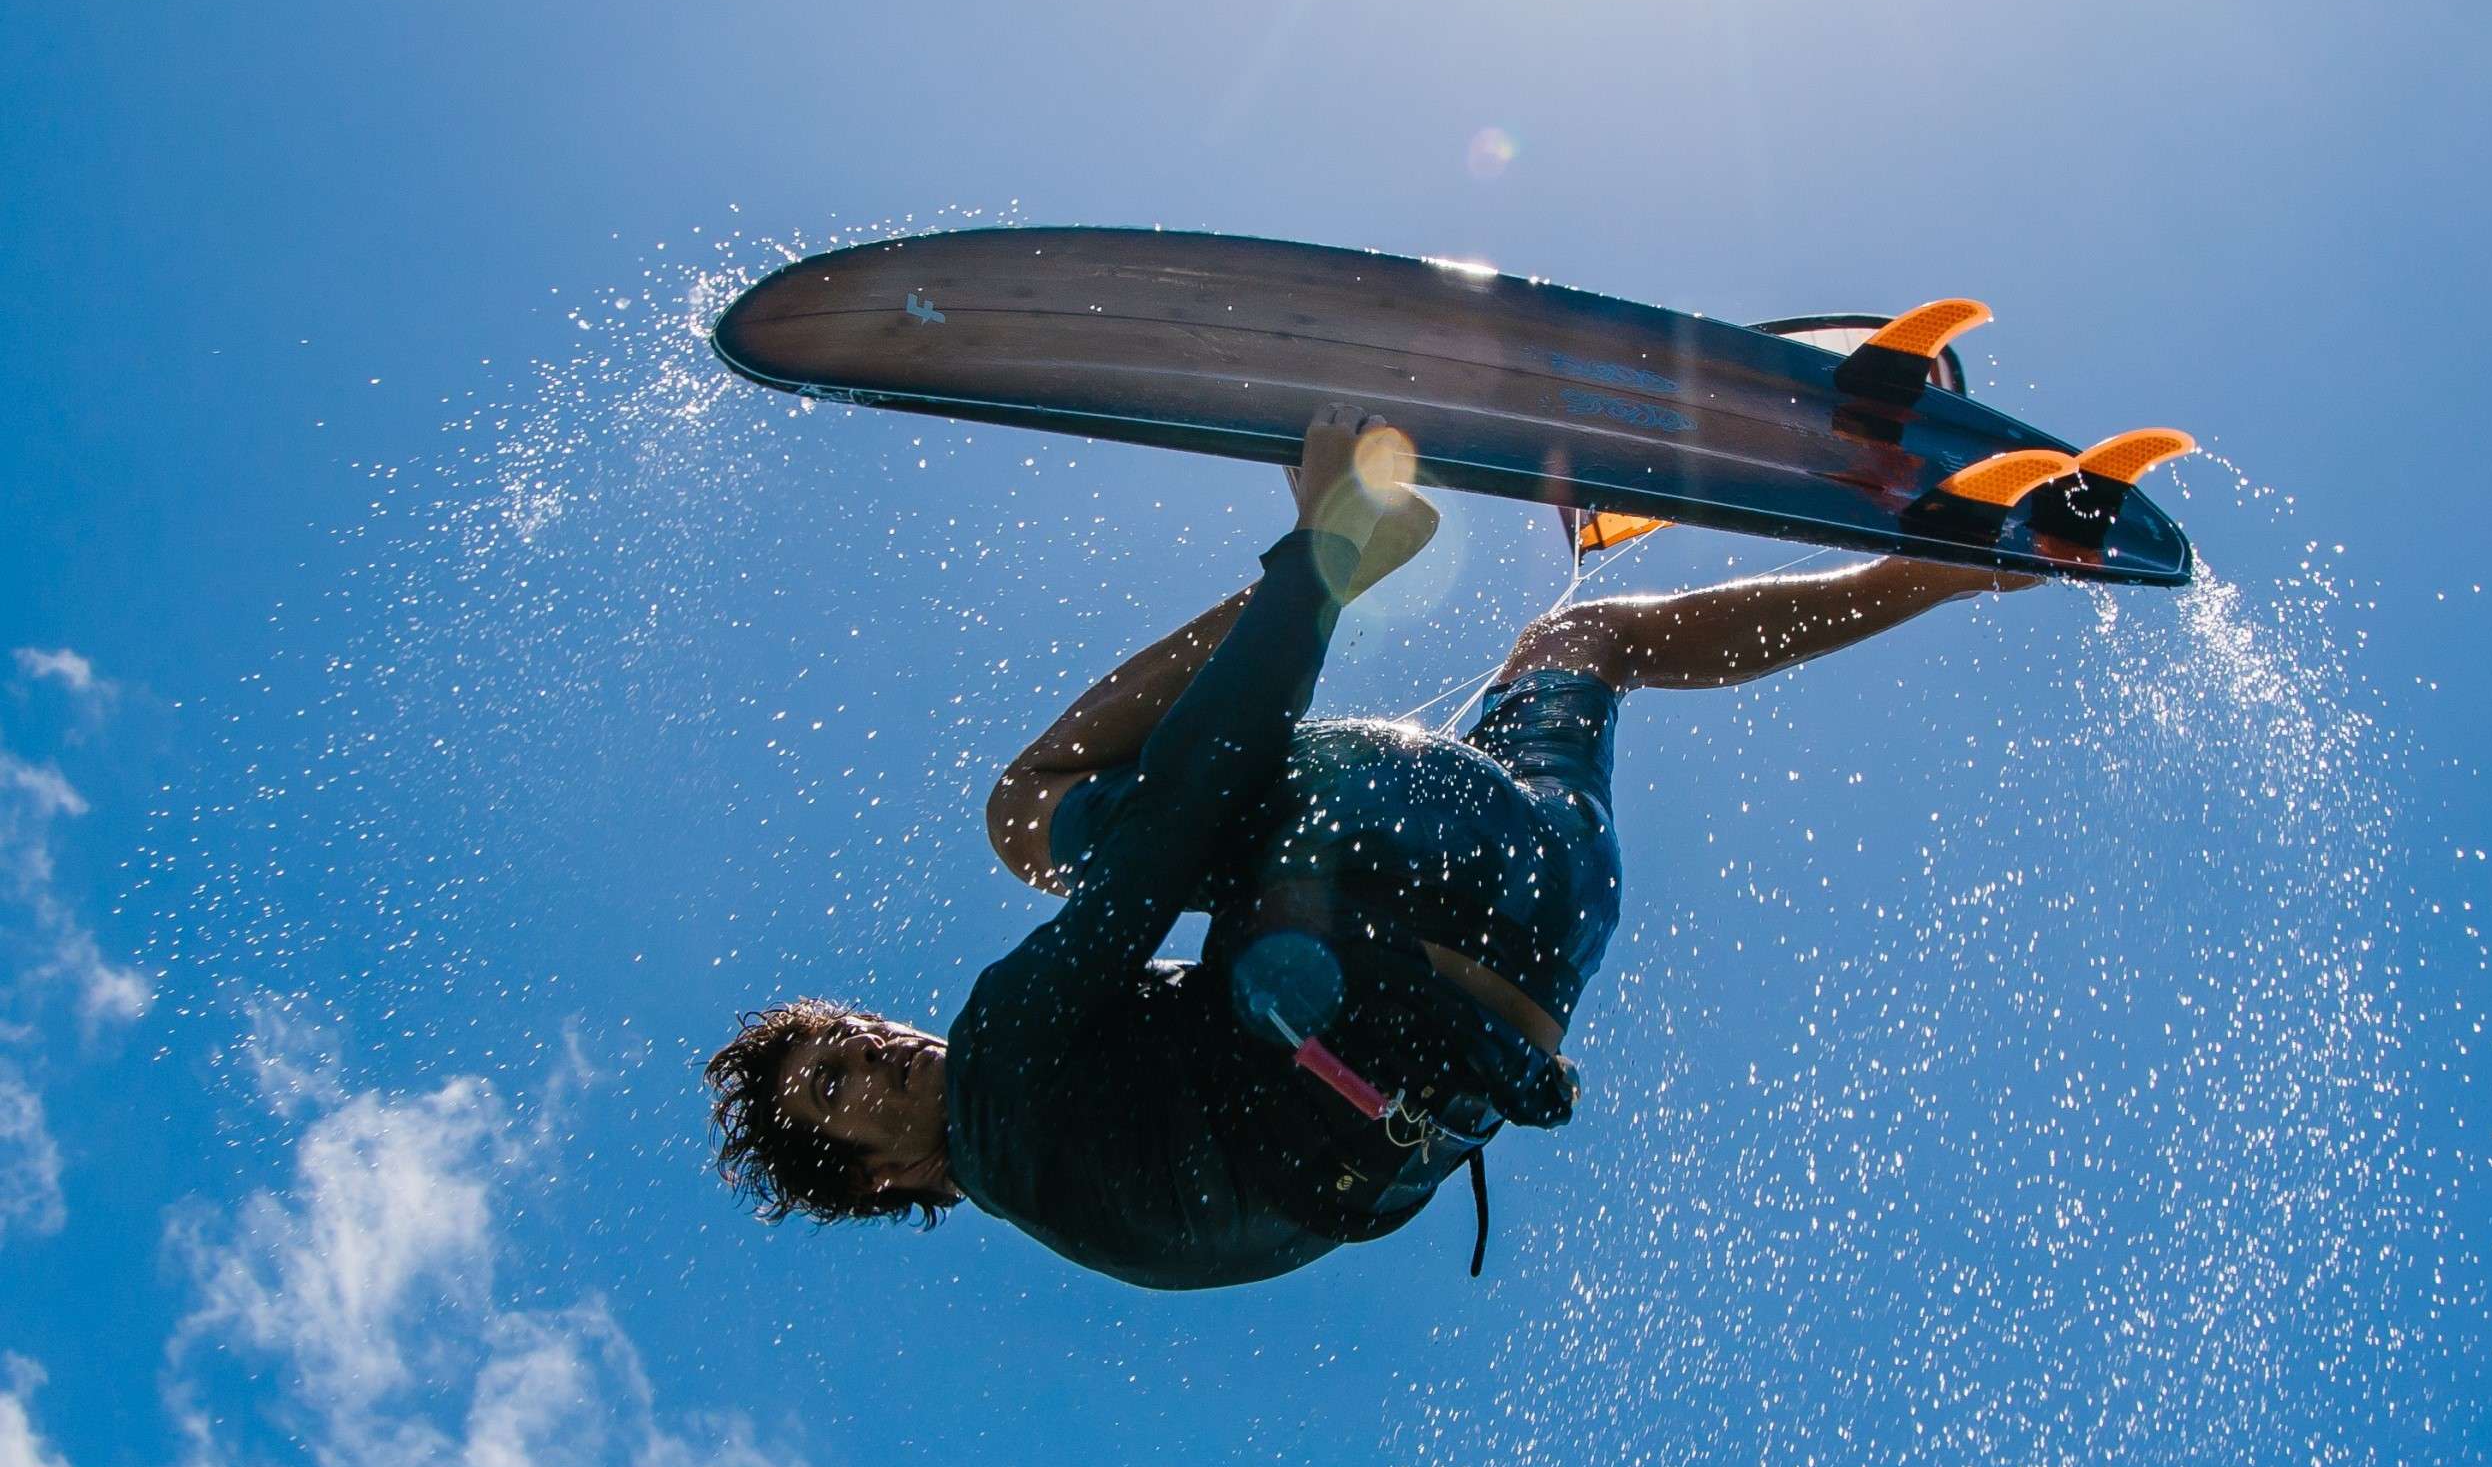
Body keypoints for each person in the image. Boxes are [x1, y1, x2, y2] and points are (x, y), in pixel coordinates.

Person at [706, 408, 2030, 1289]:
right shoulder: (1003, 1059)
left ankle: (1960, 561)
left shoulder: (1091, 1217)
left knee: (1584, 645)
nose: (868, 1051)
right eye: (836, 1088)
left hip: (1549, 934)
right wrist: (1316, 554)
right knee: (1027, 816)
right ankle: (1344, 546)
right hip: (1433, 865)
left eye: (845, 1035)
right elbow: (1176, 819)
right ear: (885, 1174)